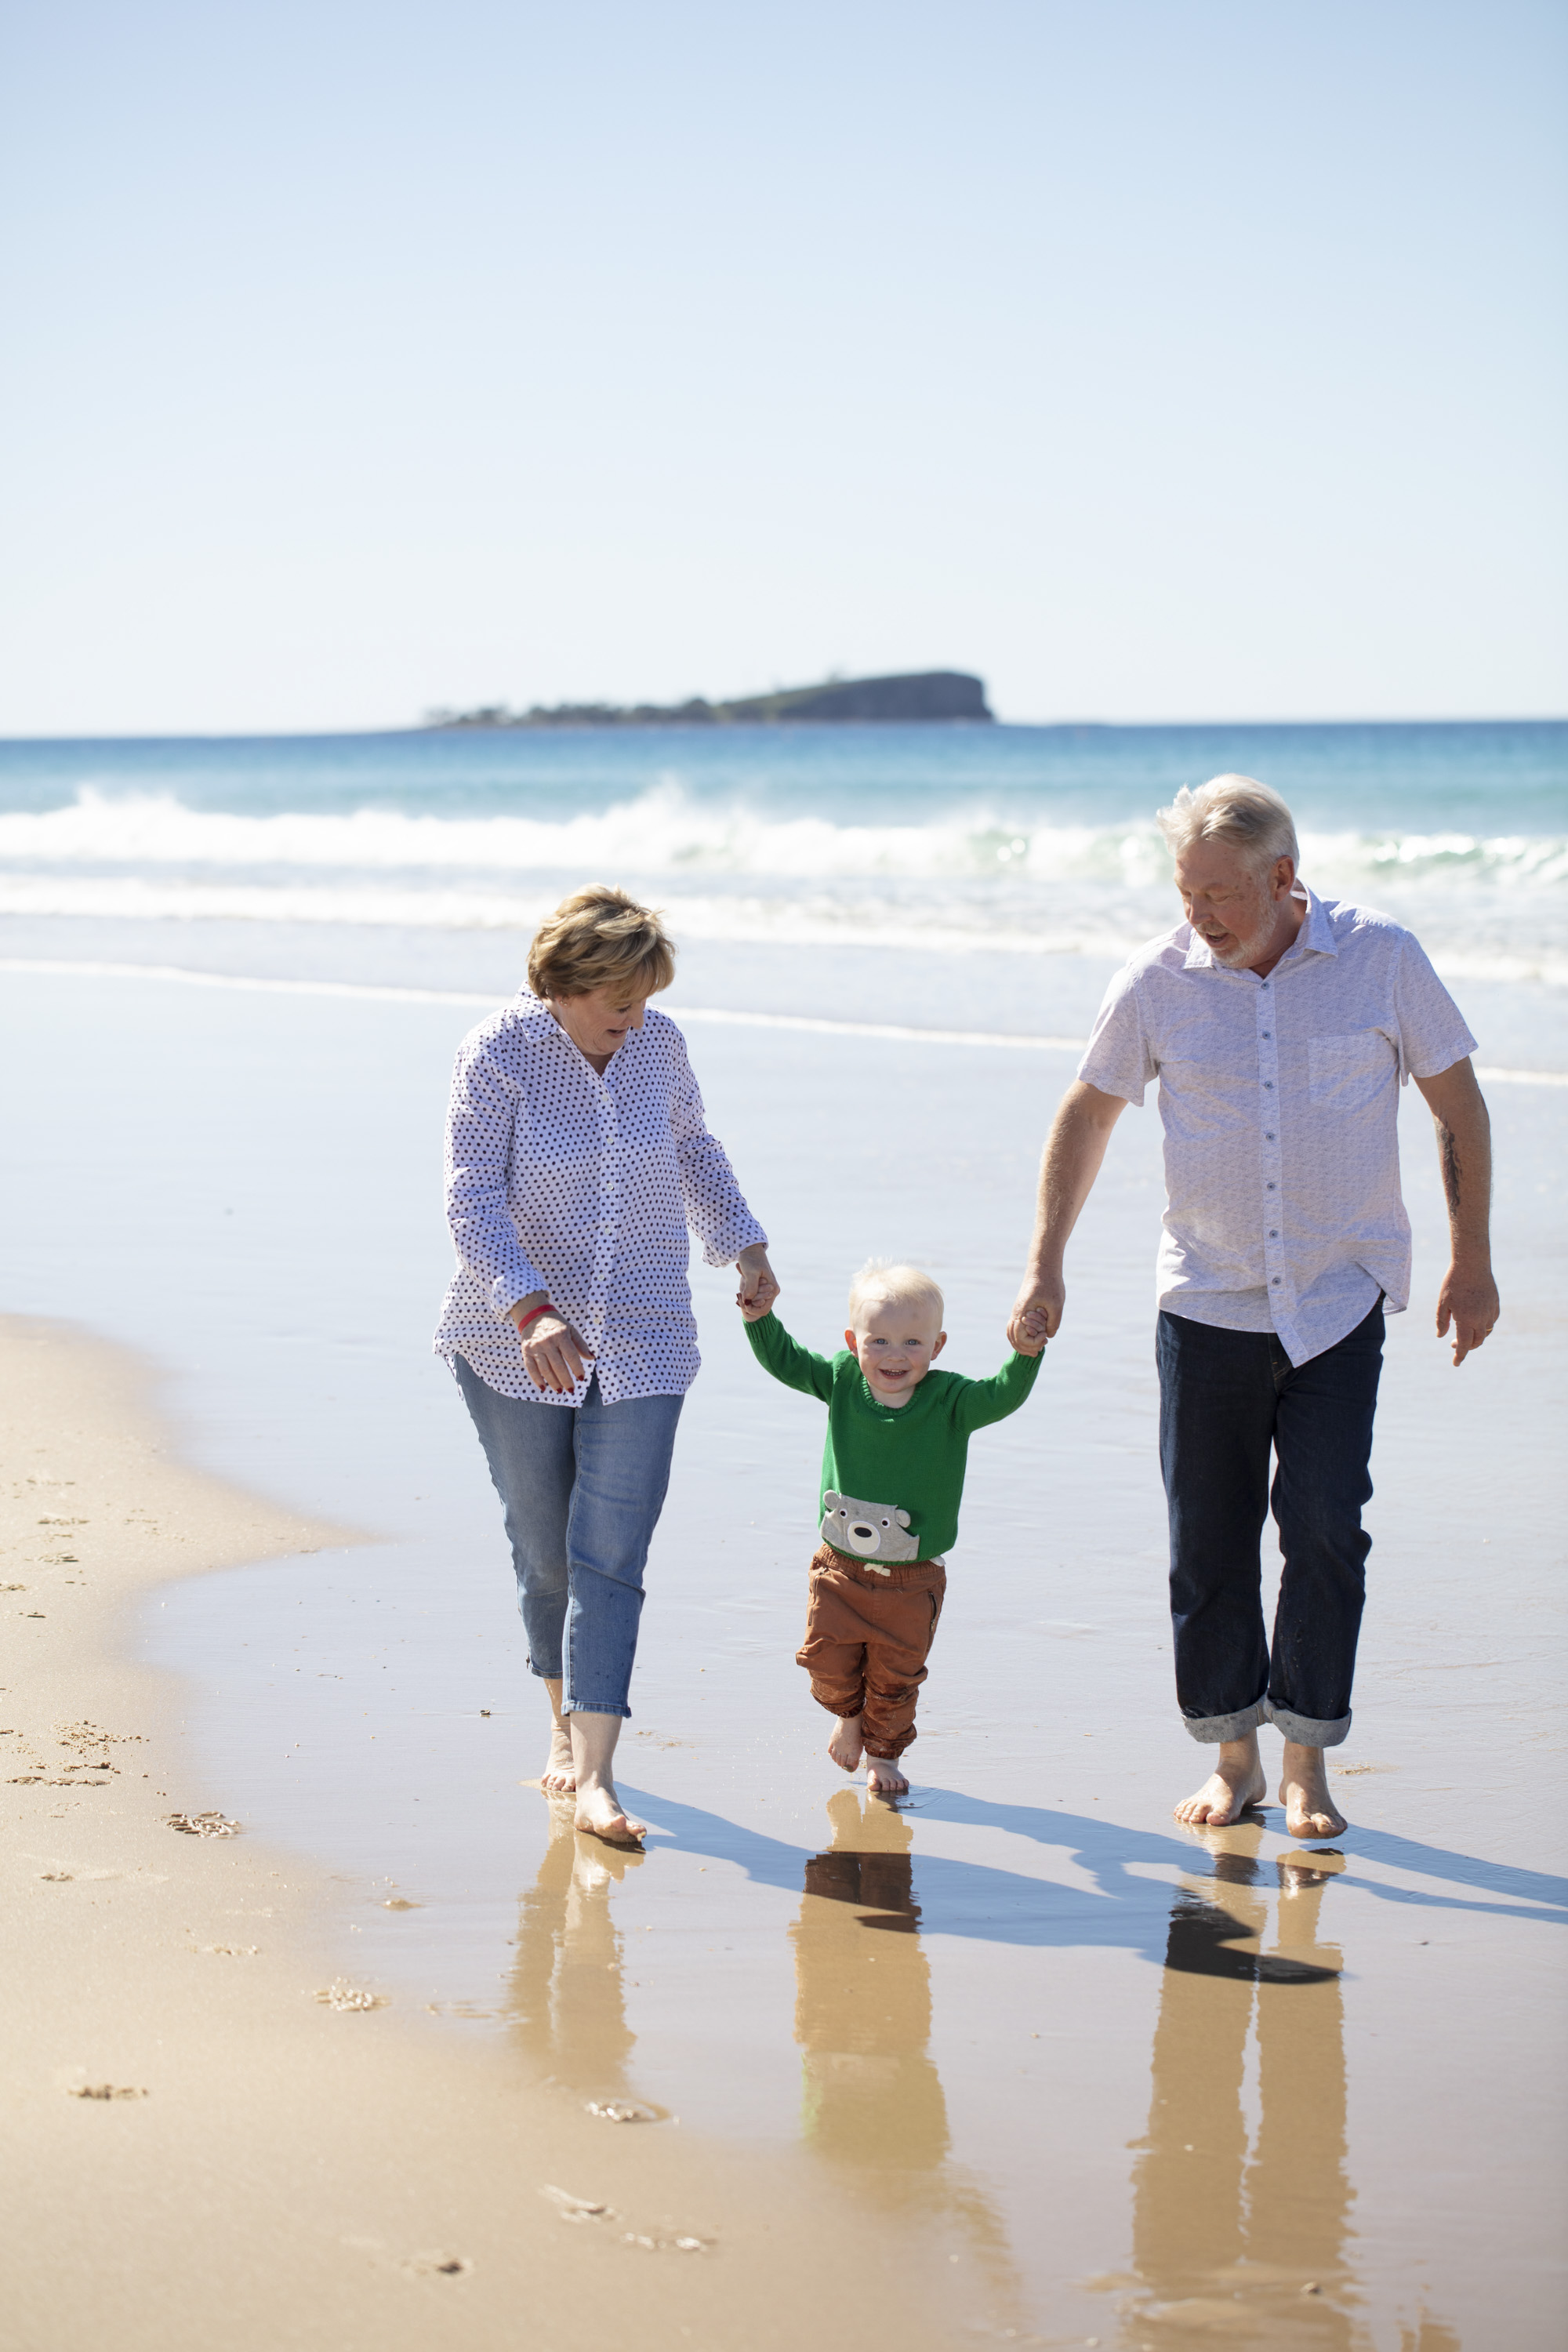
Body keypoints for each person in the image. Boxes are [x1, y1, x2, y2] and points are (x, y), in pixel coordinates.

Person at [1007, 775, 1499, 1838]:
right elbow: (1087, 1116)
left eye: (1221, 894)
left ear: (1284, 879)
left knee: (1325, 1529)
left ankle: (1311, 1762)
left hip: (1337, 1300)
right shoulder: (1157, 980)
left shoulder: (1383, 960)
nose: (1200, 915)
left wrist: (1472, 1260)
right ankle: (1234, 1758)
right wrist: (1046, 1262)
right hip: (1208, 1302)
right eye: (1187, 892)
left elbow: (1456, 1102)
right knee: (1210, 1543)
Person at [434, 885, 779, 1844]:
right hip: (512, 1340)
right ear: (564, 985)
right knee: (546, 1553)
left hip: (646, 1328)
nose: (634, 1022)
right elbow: (471, 1202)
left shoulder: (659, 1047)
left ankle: (596, 1776)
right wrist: (529, 1308)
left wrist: (743, 1247)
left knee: (611, 1557)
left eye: (643, 1002)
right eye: (618, 1004)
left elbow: (692, 1149)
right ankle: (559, 1723)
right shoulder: (496, 1055)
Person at [742, 1260, 1045, 1797]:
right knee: (828, 1661)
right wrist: (761, 1318)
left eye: (912, 1342)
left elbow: (1002, 1396)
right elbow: (786, 1362)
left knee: (896, 1678)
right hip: (839, 1567)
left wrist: (1025, 1355)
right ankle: (847, 1715)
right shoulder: (839, 1379)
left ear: (938, 1345)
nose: (894, 1355)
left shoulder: (950, 1400)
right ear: (852, 1341)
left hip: (913, 1579)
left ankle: (882, 1755)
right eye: (878, 1340)